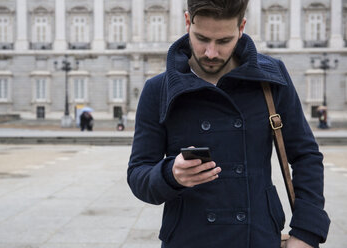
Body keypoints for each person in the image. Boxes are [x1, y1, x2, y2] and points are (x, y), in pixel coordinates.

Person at [127, 1, 330, 247]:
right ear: (187, 22)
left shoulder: (270, 77)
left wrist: (306, 233)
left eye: (223, 41)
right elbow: (138, 175)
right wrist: (171, 174)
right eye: (201, 38)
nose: (211, 53)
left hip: (257, 236)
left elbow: (306, 155)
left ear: (241, 27)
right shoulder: (157, 89)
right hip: (189, 238)